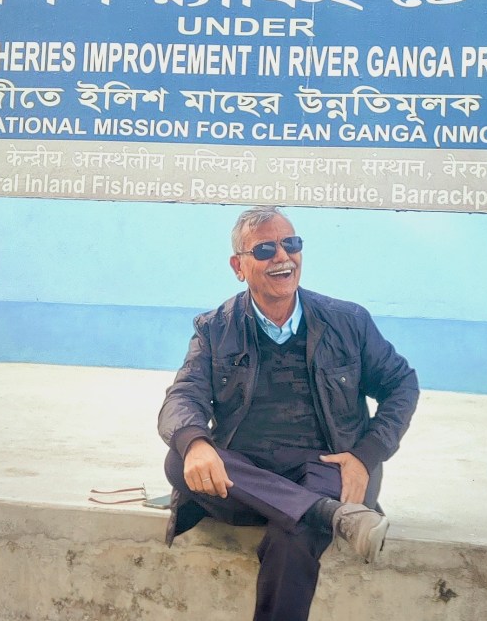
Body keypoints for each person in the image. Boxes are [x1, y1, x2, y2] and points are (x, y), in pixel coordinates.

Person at [158, 206, 419, 621]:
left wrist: (365, 456)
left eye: (291, 244)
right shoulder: (215, 328)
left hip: (329, 469)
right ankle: (329, 514)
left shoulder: (347, 321)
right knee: (181, 457)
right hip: (248, 476)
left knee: (294, 530)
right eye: (265, 249)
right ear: (238, 267)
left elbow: (401, 384)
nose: (282, 257)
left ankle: (317, 509)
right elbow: (184, 395)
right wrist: (196, 444)